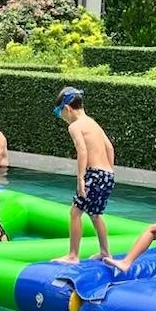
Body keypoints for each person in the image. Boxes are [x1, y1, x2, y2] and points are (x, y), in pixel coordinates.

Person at [54, 86, 115, 264]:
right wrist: (109, 171)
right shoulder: (92, 122)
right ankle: (105, 252)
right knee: (95, 214)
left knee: (75, 212)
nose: (62, 118)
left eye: (60, 113)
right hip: (107, 174)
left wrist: (81, 177)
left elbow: (82, 151)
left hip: (94, 173)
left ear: (67, 108)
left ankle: (73, 255)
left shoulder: (75, 126)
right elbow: (109, 147)